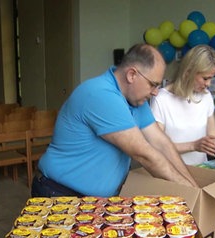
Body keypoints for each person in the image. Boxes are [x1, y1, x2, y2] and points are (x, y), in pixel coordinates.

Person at [32, 43, 198, 198]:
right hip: (59, 193)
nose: (156, 92)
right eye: (153, 84)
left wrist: (193, 186)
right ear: (132, 75)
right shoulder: (101, 94)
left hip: (95, 200)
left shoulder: (136, 100)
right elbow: (144, 154)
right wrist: (191, 194)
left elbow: (161, 143)